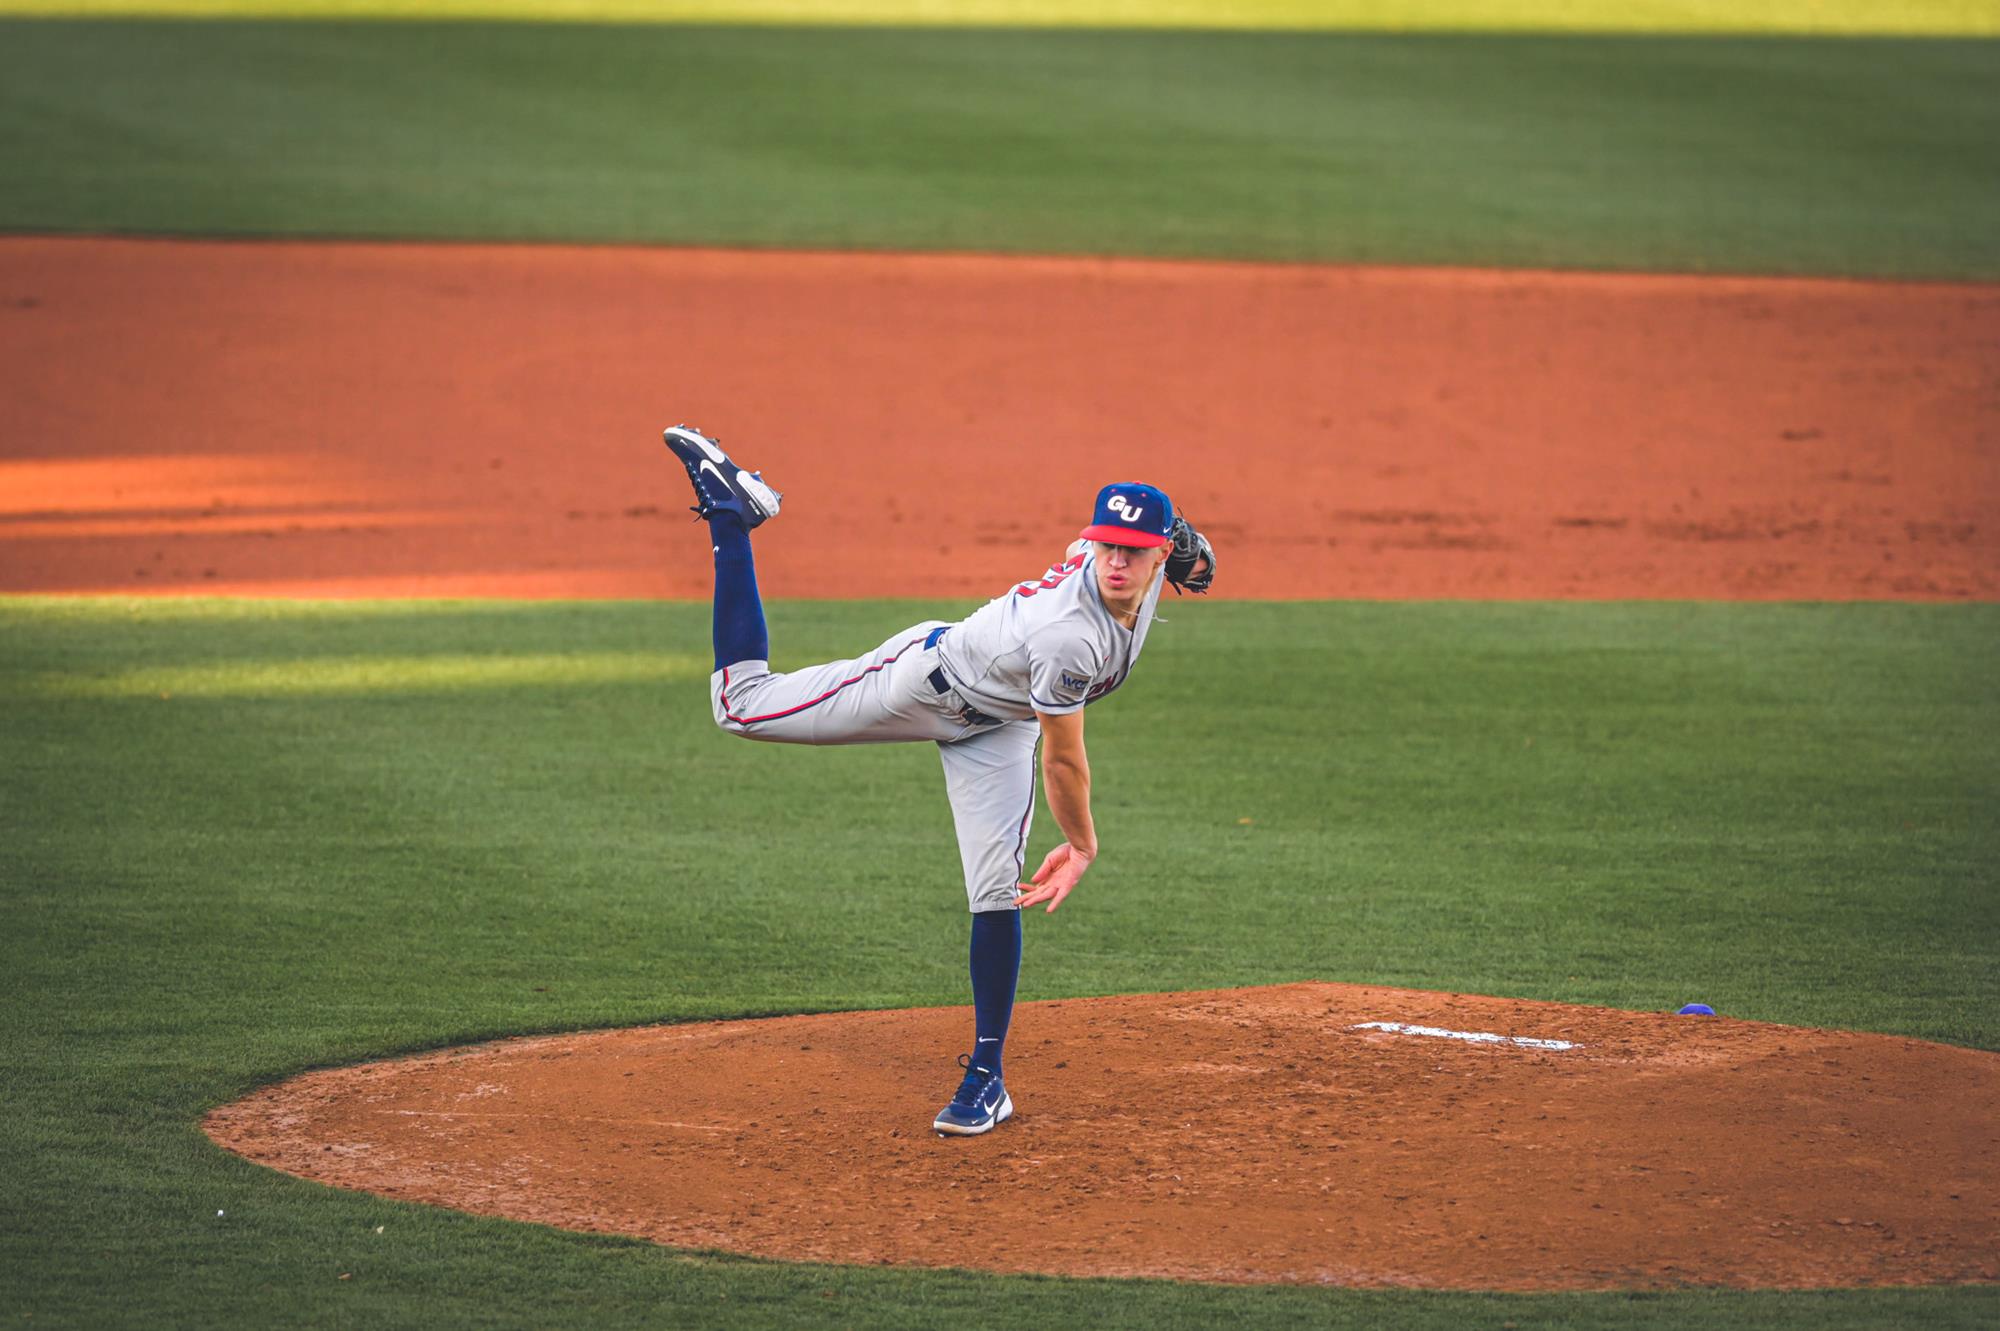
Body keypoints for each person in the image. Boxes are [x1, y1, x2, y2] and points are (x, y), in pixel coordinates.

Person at [662, 425, 1215, 1136]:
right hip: (924, 684)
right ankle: (732, 517)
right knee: (740, 707)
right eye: (1105, 544)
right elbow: (1064, 760)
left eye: (1132, 550)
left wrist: (1198, 556)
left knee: (995, 890)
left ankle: (986, 1075)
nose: (1114, 561)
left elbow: (1192, 561)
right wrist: (1082, 845)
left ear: (1161, 550)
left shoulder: (1152, 565)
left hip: (1000, 723)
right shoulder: (1069, 635)